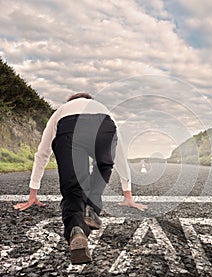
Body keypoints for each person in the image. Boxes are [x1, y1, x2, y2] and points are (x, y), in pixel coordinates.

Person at [14, 93, 148, 264]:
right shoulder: (100, 107)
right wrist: (127, 195)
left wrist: (33, 192)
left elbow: (42, 153)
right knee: (104, 165)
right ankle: (91, 208)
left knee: (73, 189)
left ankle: (76, 228)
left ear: (70, 101)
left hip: (70, 128)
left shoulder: (62, 110)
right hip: (104, 125)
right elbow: (119, 156)